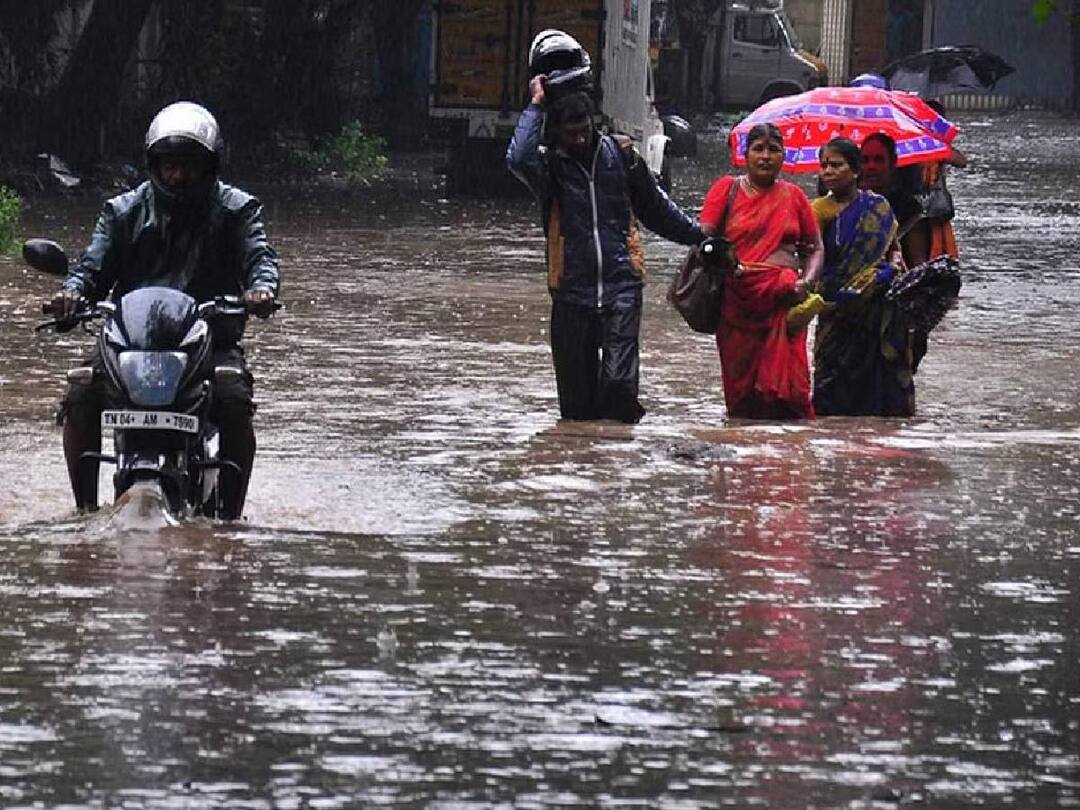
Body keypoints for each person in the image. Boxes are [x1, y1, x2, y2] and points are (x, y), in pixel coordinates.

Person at [52, 101, 280, 518]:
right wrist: (72, 294)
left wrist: (261, 290)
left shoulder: (236, 210)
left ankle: (230, 519)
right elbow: (90, 267)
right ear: (153, 164)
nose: (178, 174)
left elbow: (260, 257)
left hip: (208, 342)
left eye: (189, 164)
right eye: (169, 164)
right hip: (129, 343)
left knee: (232, 400)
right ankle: (83, 511)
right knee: (81, 393)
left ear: (210, 165)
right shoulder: (122, 212)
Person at [506, 77, 704, 423]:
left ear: (593, 122)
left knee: (618, 389)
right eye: (571, 133)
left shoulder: (623, 157)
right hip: (570, 292)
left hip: (621, 287)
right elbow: (518, 157)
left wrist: (698, 236)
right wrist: (536, 104)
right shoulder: (551, 168)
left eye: (584, 129)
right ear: (556, 132)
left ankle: (616, 461)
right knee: (576, 409)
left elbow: (657, 209)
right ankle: (584, 464)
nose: (579, 138)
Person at [699, 123, 823, 419]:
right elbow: (704, 236)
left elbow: (815, 247)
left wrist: (806, 282)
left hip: (783, 303)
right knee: (742, 399)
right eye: (758, 149)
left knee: (793, 395)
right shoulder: (726, 190)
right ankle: (746, 455)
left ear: (784, 155)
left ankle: (788, 459)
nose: (766, 156)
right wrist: (724, 256)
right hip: (738, 305)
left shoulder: (794, 196)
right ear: (746, 154)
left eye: (773, 149)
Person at [811, 137, 915, 416]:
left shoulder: (878, 207)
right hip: (835, 310)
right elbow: (808, 258)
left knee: (878, 392)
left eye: (836, 165)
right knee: (829, 393)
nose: (828, 171)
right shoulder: (817, 211)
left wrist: (889, 270)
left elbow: (894, 251)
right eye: (823, 165)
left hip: (874, 310)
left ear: (855, 170)